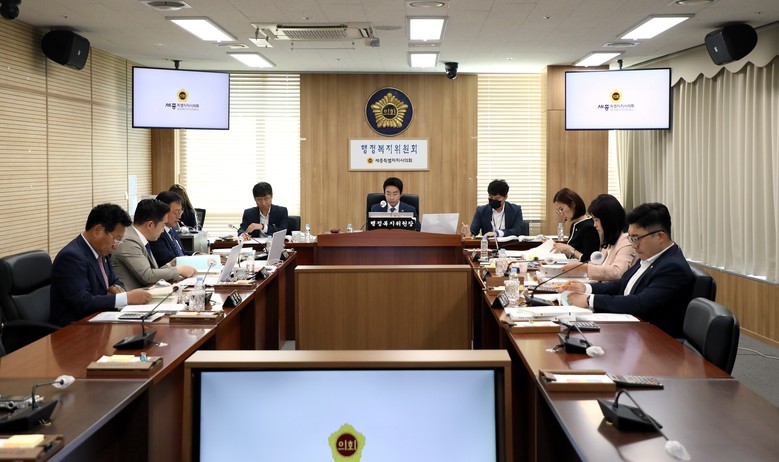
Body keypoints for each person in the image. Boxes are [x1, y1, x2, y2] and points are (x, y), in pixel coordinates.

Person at [560, 202, 694, 338]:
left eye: (636, 238)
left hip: (653, 339)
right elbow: (621, 285)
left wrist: (590, 300)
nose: (633, 245)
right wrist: (586, 288)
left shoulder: (673, 267)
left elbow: (640, 303)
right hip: (631, 329)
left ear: (660, 236)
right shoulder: (650, 256)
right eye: (631, 238)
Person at [50, 203, 152, 326]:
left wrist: (116, 288)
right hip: (74, 328)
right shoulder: (71, 257)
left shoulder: (101, 251)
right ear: (97, 231)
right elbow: (83, 302)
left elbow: (114, 280)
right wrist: (125, 298)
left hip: (99, 319)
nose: (115, 246)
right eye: (116, 239)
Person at [111, 199, 197, 290]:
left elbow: (153, 272)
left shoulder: (140, 238)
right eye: (163, 225)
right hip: (133, 296)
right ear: (150, 225)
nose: (163, 231)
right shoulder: (129, 241)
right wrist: (179, 270)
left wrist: (171, 264)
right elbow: (148, 276)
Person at [558, 194, 637, 281]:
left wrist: (584, 267)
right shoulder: (610, 240)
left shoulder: (626, 241)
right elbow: (599, 265)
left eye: (596, 220)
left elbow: (618, 272)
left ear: (608, 220)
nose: (594, 225)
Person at [462, 179, 527, 237]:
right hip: (489, 245)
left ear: (505, 197)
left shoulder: (515, 210)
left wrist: (498, 233)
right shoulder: (481, 211)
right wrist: (469, 234)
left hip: (509, 245)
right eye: (491, 197)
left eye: (497, 198)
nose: (493, 200)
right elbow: (474, 231)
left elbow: (518, 230)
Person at [551, 188, 600, 262]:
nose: (561, 214)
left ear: (572, 205)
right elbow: (573, 254)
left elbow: (590, 260)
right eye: (558, 210)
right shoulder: (575, 224)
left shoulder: (588, 227)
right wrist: (561, 248)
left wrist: (570, 249)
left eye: (561, 209)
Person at [149, 191, 192, 266]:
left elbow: (181, 253)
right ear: (163, 212)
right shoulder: (156, 233)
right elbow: (169, 260)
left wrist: (197, 255)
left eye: (180, 212)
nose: (179, 217)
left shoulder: (171, 230)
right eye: (176, 212)